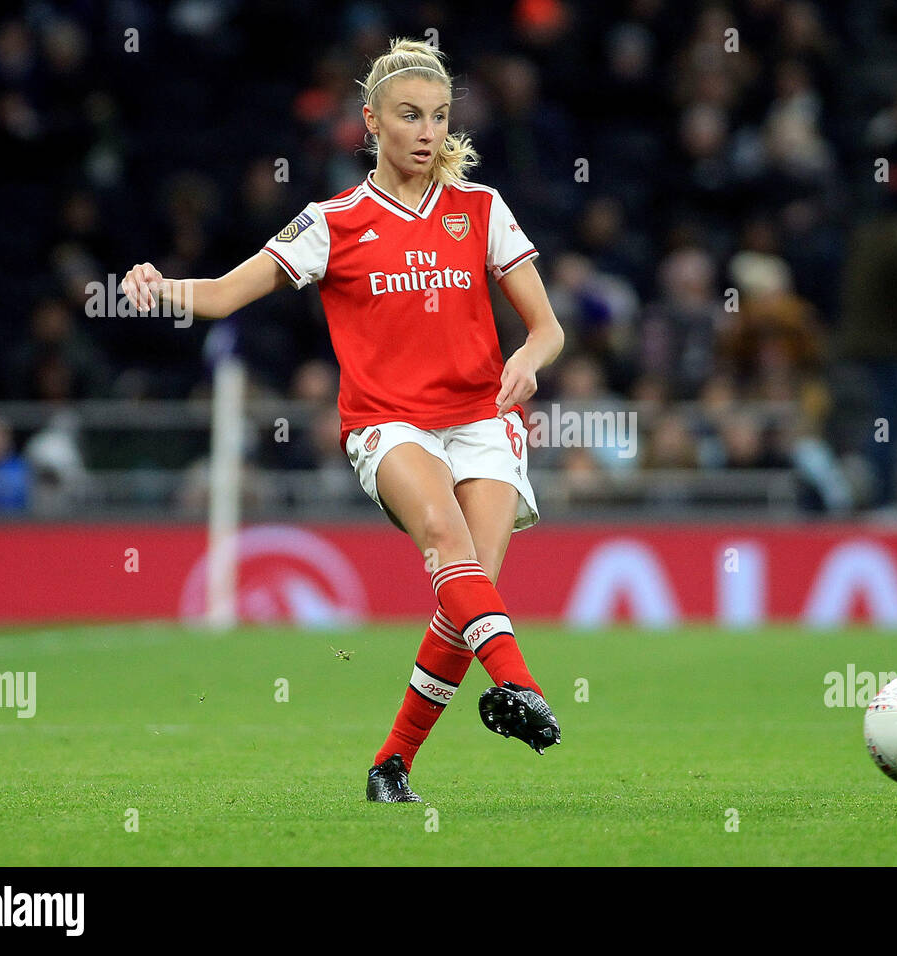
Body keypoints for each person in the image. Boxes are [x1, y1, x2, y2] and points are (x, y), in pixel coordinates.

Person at [121, 38, 565, 803]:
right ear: (371, 121)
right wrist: (160, 287)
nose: (427, 132)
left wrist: (529, 358)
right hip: (389, 424)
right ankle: (523, 689)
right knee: (446, 542)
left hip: (483, 419)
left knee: (467, 602)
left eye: (438, 117)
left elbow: (549, 328)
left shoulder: (481, 209)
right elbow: (227, 294)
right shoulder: (334, 222)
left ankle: (390, 767)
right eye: (409, 116)